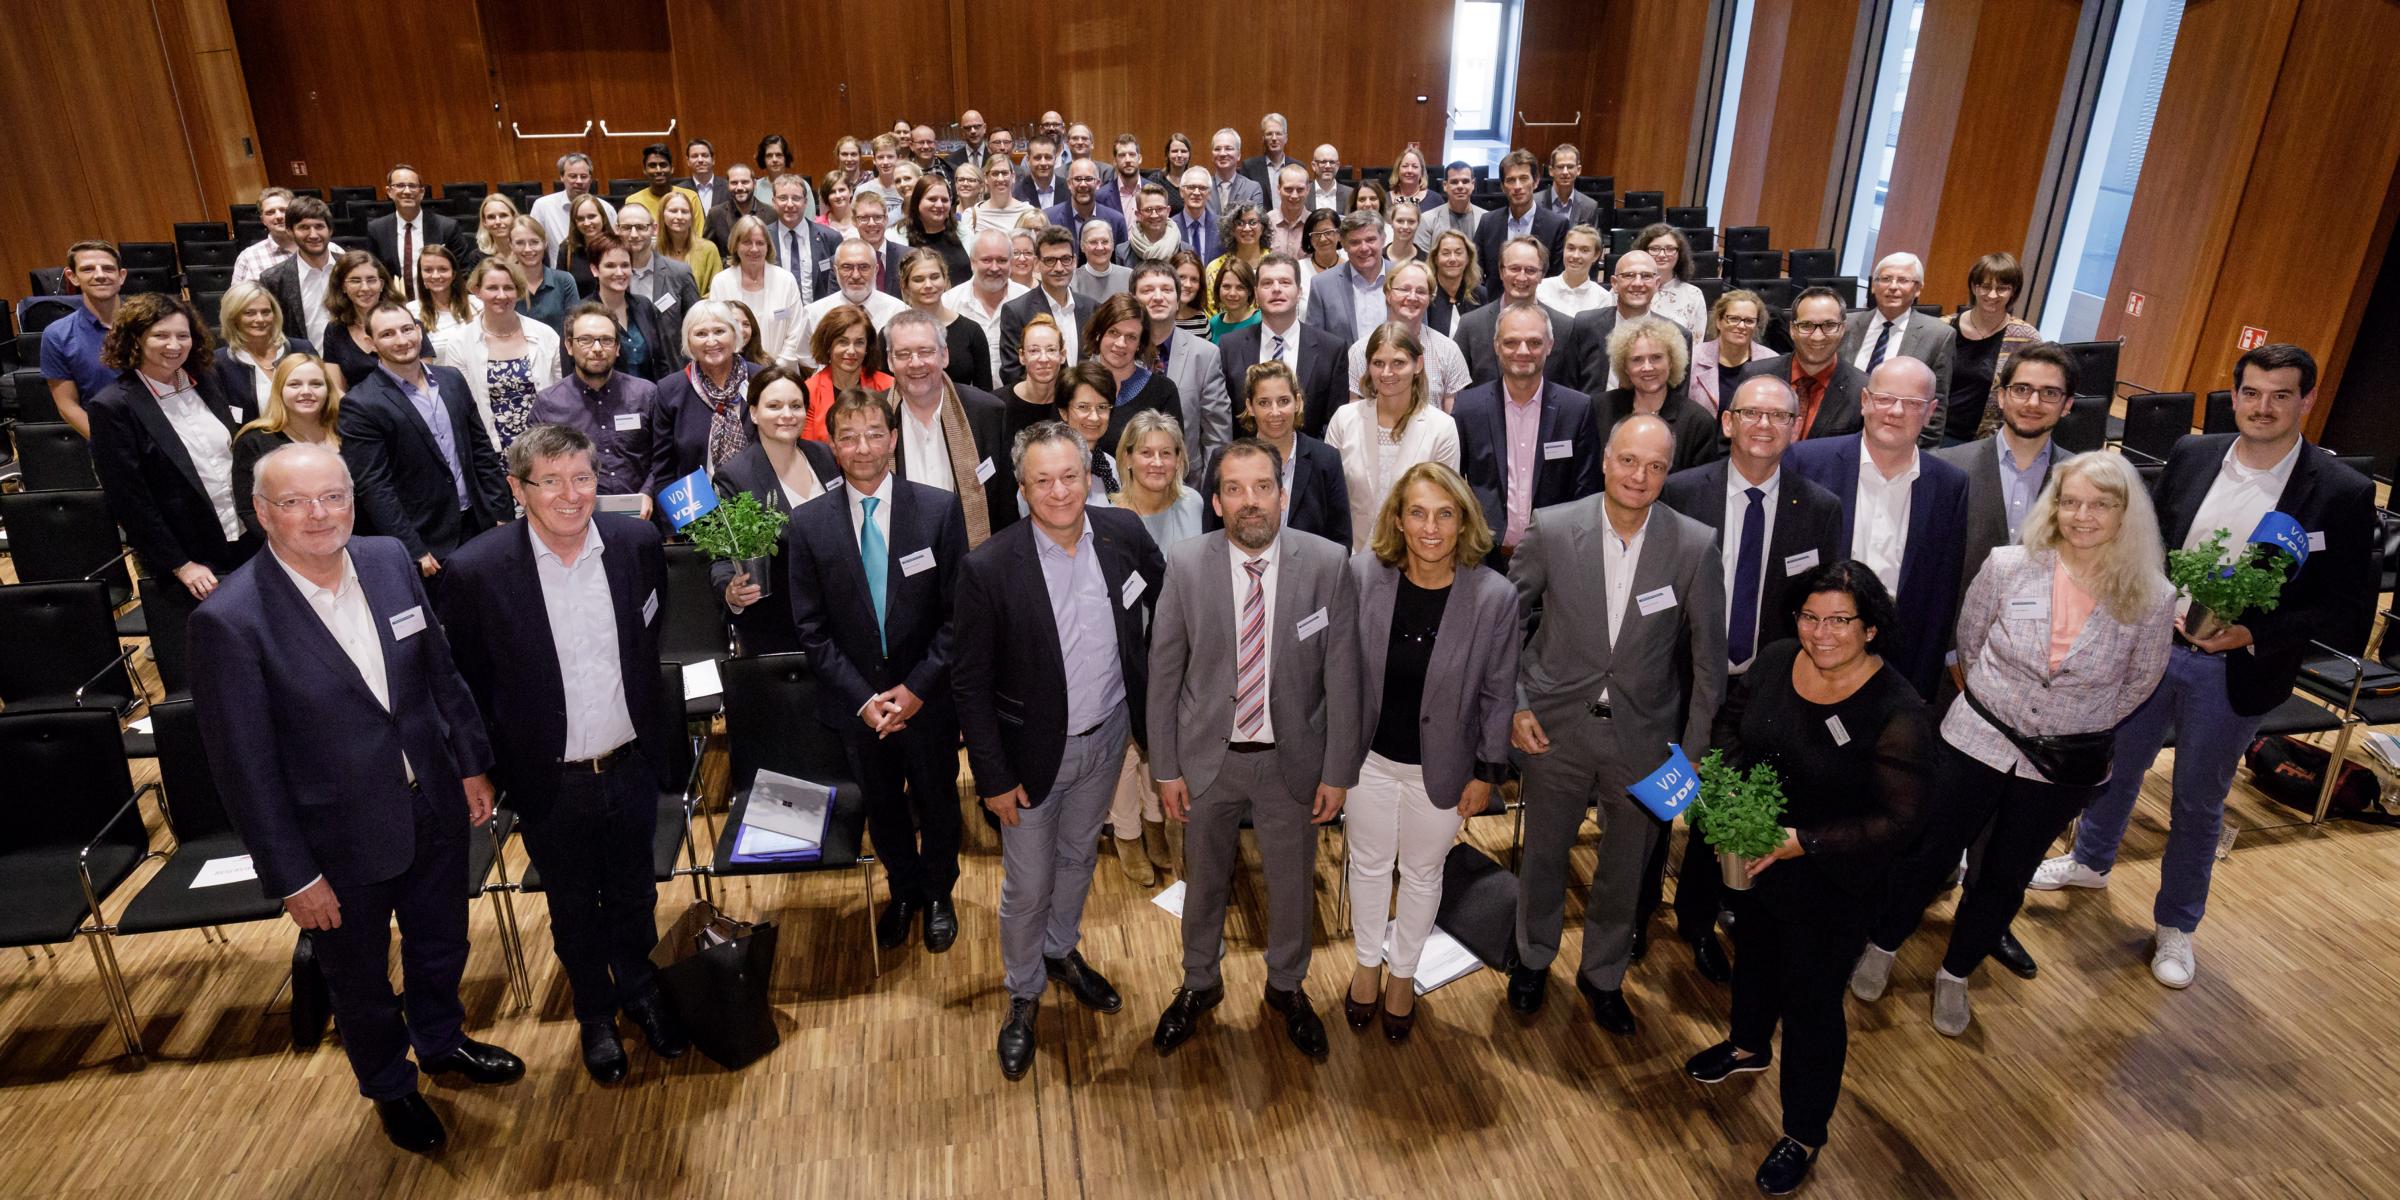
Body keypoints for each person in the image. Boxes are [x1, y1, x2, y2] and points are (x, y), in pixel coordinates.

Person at [188, 442, 523, 1154]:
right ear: (262, 514)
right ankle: (391, 1087)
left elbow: (439, 673)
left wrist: (470, 764)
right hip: (334, 842)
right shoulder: (229, 619)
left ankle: (440, 1040)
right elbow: (243, 770)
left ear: (353, 499)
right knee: (361, 981)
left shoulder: (387, 560)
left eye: (333, 496)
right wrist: (293, 876)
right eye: (295, 502)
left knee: (443, 943)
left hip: (432, 804)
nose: (319, 514)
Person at [2032, 343, 2378, 988]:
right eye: (2251, 393)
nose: (2263, 407)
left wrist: (2254, 631)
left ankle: (2177, 924)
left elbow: (2348, 611)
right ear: (2235, 396)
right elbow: (2149, 544)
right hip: (2151, 650)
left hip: (2235, 672)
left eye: (2281, 396)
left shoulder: (2340, 491)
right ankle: (2090, 862)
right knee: (2113, 768)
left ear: (2306, 401)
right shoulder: (2193, 455)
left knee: (2197, 802)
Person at [1854, 451, 2174, 1035]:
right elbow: (1971, 640)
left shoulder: (2153, 597)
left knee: (2006, 874)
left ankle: (1956, 971)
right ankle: (1883, 943)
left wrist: (2069, 717)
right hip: (1976, 739)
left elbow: (2139, 683)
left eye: (2100, 504)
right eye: (2070, 501)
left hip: (2061, 762)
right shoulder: (2008, 565)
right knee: (1928, 854)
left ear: (2126, 514)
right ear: (2054, 507)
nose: (2082, 516)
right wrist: (2004, 702)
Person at [435, 423, 686, 1084]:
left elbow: (648, 641)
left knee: (635, 894)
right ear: (518, 490)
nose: (571, 495)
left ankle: (640, 991)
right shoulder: (476, 570)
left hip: (630, 763)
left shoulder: (635, 544)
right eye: (550, 482)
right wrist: (477, 767)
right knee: (573, 907)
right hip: (549, 779)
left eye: (581, 477)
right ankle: (595, 1014)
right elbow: (464, 682)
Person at [1681, 560, 1931, 1197]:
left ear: (1870, 628)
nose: (1821, 633)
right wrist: (1730, 787)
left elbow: (1899, 822)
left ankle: (1803, 1131)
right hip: (1759, 853)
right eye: (1810, 617)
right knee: (1754, 958)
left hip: (1832, 878)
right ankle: (1747, 1046)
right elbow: (1732, 724)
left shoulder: (1898, 711)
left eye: (1840, 621)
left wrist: (1803, 842)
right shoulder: (1775, 661)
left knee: (1813, 1005)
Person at [950, 415, 1165, 1078]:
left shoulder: (1125, 534)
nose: (1060, 491)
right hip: (1029, 760)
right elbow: (970, 683)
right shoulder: (989, 567)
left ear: (1089, 476)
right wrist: (991, 776)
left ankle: (1060, 949)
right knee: (1028, 882)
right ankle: (1023, 994)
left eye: (1070, 476)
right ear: (1022, 489)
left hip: (1109, 739)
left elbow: (1168, 609)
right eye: (1043, 481)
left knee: (1078, 859)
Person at [1506, 415, 1726, 1035]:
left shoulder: (1694, 545)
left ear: (1668, 473)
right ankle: (1532, 959)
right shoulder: (1552, 528)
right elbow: (1504, 625)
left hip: (1647, 743)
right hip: (1553, 731)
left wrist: (1692, 755)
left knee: (1627, 870)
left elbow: (1710, 664)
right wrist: (1516, 705)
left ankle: (1603, 976)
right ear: (1606, 460)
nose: (1639, 476)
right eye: (1629, 460)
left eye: (1656, 466)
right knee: (1543, 858)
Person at [1147, 437, 1363, 1058]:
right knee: (1203, 883)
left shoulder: (1327, 563)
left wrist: (1338, 771)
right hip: (1206, 762)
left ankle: (1287, 986)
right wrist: (1165, 767)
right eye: (1235, 490)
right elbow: (1164, 674)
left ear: (1282, 495)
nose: (1251, 502)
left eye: (1262, 487)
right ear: (1216, 502)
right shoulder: (1186, 564)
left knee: (1292, 886)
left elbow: (1343, 677)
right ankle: (1199, 982)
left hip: (1291, 762)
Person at [1646, 374, 1847, 983]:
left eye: (1779, 416)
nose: (1764, 425)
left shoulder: (1819, 508)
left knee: (1727, 807)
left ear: (1795, 427)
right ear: (1728, 422)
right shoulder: (1682, 492)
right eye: (1752, 414)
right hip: (1679, 677)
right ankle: (1636, 911)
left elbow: (1818, 602)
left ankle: (1699, 918)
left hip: (1761, 687)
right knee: (1659, 800)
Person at [787, 387, 972, 957]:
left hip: (928, 699)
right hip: (857, 706)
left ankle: (938, 893)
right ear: (832, 447)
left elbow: (958, 617)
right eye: (849, 437)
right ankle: (905, 890)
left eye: (874, 434)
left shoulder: (938, 509)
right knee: (883, 805)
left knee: (938, 800)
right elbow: (811, 629)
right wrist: (866, 701)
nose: (863, 447)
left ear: (893, 439)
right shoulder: (808, 524)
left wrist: (916, 689)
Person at [1340, 461, 1518, 1041]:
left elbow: (1498, 692)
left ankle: (1402, 974)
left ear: (1464, 521)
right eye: (1417, 513)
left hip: (1443, 769)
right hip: (1368, 760)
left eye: (1445, 514)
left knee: (1422, 873)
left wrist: (1487, 772)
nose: (1431, 528)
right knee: (1368, 865)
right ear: (1397, 519)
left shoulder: (1493, 597)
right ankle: (1367, 964)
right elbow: (1338, 672)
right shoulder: (1363, 575)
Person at [1782, 358, 1971, 700]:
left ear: (1930, 412)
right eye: (1885, 399)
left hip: (1896, 663)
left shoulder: (1949, 485)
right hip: (1810, 651)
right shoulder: (1806, 462)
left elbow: (1942, 595)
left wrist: (1921, 688)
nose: (1895, 412)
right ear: (1865, 400)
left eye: (1911, 403)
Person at [87, 293, 259, 650]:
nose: (174, 345)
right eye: (161, 335)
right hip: (192, 557)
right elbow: (130, 500)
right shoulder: (113, 406)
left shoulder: (208, 379)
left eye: (183, 335)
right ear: (135, 339)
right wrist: (181, 564)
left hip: (245, 534)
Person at [340, 303, 512, 581]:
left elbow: (481, 451)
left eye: (407, 329)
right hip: (428, 544)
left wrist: (502, 512)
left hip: (481, 524)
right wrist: (411, 548)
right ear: (370, 343)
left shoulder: (452, 379)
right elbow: (375, 486)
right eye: (387, 334)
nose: (401, 340)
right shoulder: (360, 403)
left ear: (419, 332)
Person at [1452, 304, 1600, 567]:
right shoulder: (1468, 408)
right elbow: (1454, 485)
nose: (1522, 351)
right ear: (1496, 346)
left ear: (1550, 345)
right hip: (1484, 558)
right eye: (1511, 342)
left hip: (1555, 558)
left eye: (1534, 342)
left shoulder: (1577, 409)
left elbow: (1586, 493)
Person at [710, 365, 839, 655]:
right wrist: (731, 590)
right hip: (778, 627)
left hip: (837, 618)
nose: (787, 414)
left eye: (796, 405)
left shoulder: (823, 456)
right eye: (774, 406)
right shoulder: (735, 476)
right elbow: (722, 559)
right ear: (754, 413)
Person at [1933, 341, 2070, 599]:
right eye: (2021, 389)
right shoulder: (1948, 466)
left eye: (2050, 393)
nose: (2033, 402)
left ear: (2067, 405)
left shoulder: (2079, 479)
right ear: (2001, 397)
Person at [1324, 322, 1462, 551]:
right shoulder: (1344, 420)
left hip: (1415, 557)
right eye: (1378, 363)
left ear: (1418, 364)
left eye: (1398, 363)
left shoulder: (1442, 427)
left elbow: (1444, 503)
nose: (1387, 373)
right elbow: (1330, 499)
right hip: (1351, 555)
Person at [885, 308, 1016, 547]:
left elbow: (1005, 503)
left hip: (973, 555)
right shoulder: (876, 417)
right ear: (890, 361)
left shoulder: (987, 412)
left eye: (926, 351)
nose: (916, 363)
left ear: (944, 355)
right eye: (903, 354)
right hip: (901, 554)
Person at [1200, 360, 1351, 548]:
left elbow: (1340, 541)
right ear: (1250, 406)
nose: (1275, 412)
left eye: (1283, 401)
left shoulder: (1326, 460)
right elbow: (1211, 534)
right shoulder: (1223, 460)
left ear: (1298, 402)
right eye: (1264, 403)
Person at [530, 305, 664, 507]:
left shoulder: (646, 395)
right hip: (574, 514)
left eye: (607, 340)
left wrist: (649, 493)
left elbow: (664, 455)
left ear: (617, 348)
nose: (597, 348)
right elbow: (537, 468)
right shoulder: (548, 404)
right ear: (569, 346)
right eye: (585, 340)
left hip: (643, 512)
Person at [434, 257, 562, 450]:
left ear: (518, 291)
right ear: (477, 291)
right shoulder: (460, 342)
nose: (501, 295)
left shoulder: (546, 335)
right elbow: (460, 404)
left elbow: (562, 394)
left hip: (545, 447)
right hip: (490, 449)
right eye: (492, 288)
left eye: (508, 288)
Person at [1218, 254, 1348, 440]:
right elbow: (1224, 420)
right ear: (1256, 293)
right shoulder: (1229, 347)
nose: (1276, 289)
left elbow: (1334, 424)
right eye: (1267, 283)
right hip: (1245, 454)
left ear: (1299, 291)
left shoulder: (1331, 350)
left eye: (1285, 282)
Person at [1840, 252, 1958, 446]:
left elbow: (1936, 405)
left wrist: (1925, 452)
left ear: (1917, 288)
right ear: (1873, 286)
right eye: (1886, 279)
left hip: (1896, 441)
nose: (1893, 287)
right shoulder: (1847, 325)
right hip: (1839, 436)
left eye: (1903, 280)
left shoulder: (1938, 335)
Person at [648, 300, 758, 494]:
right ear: (689, 341)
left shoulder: (761, 379)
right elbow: (664, 469)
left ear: (735, 334)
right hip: (696, 505)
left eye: (719, 331)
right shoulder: (670, 390)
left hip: (762, 502)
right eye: (701, 334)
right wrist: (676, 513)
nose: (711, 341)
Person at [1129, 263, 1229, 474]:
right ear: (1133, 299)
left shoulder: (1205, 355)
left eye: (1166, 290)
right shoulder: (1118, 352)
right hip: (1126, 482)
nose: (1158, 297)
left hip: (1187, 481)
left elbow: (1217, 436)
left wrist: (1209, 486)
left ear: (1177, 300)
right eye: (1147, 290)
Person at [232, 354, 342, 537]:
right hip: (289, 544)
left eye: (316, 384)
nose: (306, 391)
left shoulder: (348, 432)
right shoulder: (254, 442)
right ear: (279, 390)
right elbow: (250, 511)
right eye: (294, 384)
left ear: (328, 389)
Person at [1740, 286, 1867, 440]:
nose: (1817, 337)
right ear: (1792, 330)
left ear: (1842, 329)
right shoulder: (1754, 375)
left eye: (1829, 325)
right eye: (1806, 325)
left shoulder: (1862, 390)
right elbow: (1730, 441)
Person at [1598, 314, 1721, 472]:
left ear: (1671, 361)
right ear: (1625, 367)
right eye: (1637, 359)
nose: (1647, 367)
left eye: (1656, 358)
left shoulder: (1698, 422)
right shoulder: (1600, 408)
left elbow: (1701, 481)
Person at [1341, 262, 1471, 406]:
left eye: (1421, 291)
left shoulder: (1449, 351)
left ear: (1429, 299)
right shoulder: (1360, 351)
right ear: (1388, 294)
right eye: (1404, 289)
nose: (1412, 297)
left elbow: (1454, 415)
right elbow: (1354, 413)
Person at [1454, 237, 1578, 386]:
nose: (1522, 277)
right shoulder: (1471, 325)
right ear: (1501, 272)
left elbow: (1571, 389)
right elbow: (1457, 386)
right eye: (1514, 268)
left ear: (1541, 276)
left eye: (1531, 270)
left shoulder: (1565, 327)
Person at [1948, 252, 2045, 441]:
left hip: (1990, 440)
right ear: (1973, 287)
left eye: (2002, 288)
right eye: (1985, 287)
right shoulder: (1943, 328)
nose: (1992, 295)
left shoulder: (2027, 339)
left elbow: (2031, 391)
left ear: (2013, 291)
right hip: (1933, 434)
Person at [1570, 250, 1694, 393]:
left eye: (1646, 276)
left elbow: (1678, 398)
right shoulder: (1585, 325)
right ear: (1614, 283)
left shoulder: (1678, 335)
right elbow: (1569, 385)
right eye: (1629, 275)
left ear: (1657, 284)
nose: (1637, 283)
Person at [781, 238, 908, 371]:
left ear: (876, 270)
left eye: (864, 267)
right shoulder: (813, 313)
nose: (856, 275)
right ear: (835, 270)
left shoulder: (899, 312)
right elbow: (806, 361)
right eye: (847, 267)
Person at [1000, 227, 1100, 386]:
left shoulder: (1092, 308)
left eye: (1065, 259)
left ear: (1074, 261)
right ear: (1037, 264)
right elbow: (1013, 373)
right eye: (1050, 260)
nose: (1059, 268)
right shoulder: (1016, 312)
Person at [579, 235, 682, 384]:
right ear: (595, 269)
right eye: (610, 266)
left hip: (649, 395)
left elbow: (660, 361)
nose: (619, 272)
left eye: (625, 265)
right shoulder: (581, 314)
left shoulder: (644, 306)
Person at [1473, 150, 1569, 303]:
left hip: (1538, 307)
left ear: (1535, 181)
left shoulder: (1557, 225)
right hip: (1495, 307)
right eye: (1511, 180)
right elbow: (1475, 271)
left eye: (1523, 178)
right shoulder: (1488, 222)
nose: (1517, 186)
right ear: (1503, 186)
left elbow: (1556, 278)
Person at [897, 248, 993, 391]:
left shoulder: (971, 331)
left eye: (935, 277)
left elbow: (985, 393)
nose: (928, 285)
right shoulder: (893, 333)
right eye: (918, 279)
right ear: (904, 286)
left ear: (945, 279)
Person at [215, 282, 317, 415]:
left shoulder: (302, 349)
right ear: (233, 318)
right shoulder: (220, 362)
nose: (260, 319)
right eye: (249, 313)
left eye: (266, 312)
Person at [708, 215, 803, 357]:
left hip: (781, 366)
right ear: (736, 245)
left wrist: (778, 366)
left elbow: (796, 331)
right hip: (733, 365)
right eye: (747, 242)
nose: (754, 249)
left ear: (768, 246)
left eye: (760, 243)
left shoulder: (786, 280)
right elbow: (716, 329)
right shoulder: (721, 282)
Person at [369, 165, 470, 298]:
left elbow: (462, 271)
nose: (407, 191)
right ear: (389, 191)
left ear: (421, 192)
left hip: (438, 302)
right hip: (395, 305)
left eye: (412, 186)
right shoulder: (377, 229)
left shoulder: (447, 227)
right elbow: (374, 272)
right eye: (400, 185)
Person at [800, 304, 892, 443]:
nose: (851, 351)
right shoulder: (810, 391)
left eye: (859, 343)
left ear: (867, 347)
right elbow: (808, 447)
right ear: (828, 345)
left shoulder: (889, 386)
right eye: (843, 342)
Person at [260, 198, 340, 349]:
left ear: (330, 230)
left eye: (319, 226)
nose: (313, 235)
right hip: (303, 361)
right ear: (290, 232)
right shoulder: (273, 279)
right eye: (304, 227)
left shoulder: (351, 268)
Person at [1302, 211, 1389, 346]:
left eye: (1370, 240)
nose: (1364, 248)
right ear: (1343, 244)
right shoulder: (1322, 285)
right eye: (1355, 242)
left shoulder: (1405, 276)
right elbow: (1314, 342)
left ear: (1383, 239)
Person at [319, 250, 402, 388]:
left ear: (381, 285)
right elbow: (336, 389)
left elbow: (422, 380)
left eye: (371, 280)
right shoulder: (335, 330)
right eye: (355, 281)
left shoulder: (405, 324)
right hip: (352, 402)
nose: (365, 288)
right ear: (343, 287)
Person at [613, 204, 702, 325]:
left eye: (641, 227)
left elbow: (696, 322)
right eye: (626, 227)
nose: (634, 235)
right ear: (617, 229)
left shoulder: (679, 273)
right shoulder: (609, 274)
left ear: (654, 229)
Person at [766, 173, 841, 305]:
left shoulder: (830, 238)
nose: (790, 204)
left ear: (806, 202)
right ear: (774, 202)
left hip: (820, 314)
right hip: (777, 313)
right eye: (783, 198)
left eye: (796, 198)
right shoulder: (763, 239)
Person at [530, 153, 616, 266]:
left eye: (583, 176)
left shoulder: (606, 208)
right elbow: (532, 242)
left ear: (590, 178)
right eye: (573, 176)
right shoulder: (543, 206)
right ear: (562, 177)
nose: (579, 181)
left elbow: (616, 243)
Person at [1690, 288, 1765, 416]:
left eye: (1749, 321)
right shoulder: (1693, 358)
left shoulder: (1771, 361)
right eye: (1733, 318)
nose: (1741, 326)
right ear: (1719, 322)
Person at [1003, 315, 1074, 444]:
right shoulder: (999, 405)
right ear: (1022, 356)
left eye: (1051, 350)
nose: (1043, 359)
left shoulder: (1073, 404)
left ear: (1062, 355)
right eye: (1034, 351)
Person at [1636, 224, 1708, 336]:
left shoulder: (1693, 295)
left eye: (1670, 249)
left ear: (1680, 254)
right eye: (1654, 249)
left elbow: (1695, 341)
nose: (1662, 255)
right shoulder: (1626, 288)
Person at [1045, 156, 1128, 248]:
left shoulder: (1116, 221)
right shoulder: (1049, 219)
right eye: (1077, 179)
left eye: (1089, 179)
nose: (1083, 184)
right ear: (1069, 183)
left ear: (1098, 183)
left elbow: (1121, 256)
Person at [903, 174, 972, 284]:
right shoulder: (898, 236)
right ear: (917, 202)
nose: (940, 205)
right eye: (932, 199)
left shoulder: (964, 232)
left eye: (944, 200)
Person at [409, 246, 482, 345]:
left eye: (443, 269)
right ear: (421, 275)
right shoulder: (411, 312)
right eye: (428, 270)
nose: (435, 276)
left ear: (454, 274)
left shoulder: (477, 305)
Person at [657, 191, 724, 295]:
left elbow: (717, 290)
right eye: (673, 211)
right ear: (662, 215)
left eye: (684, 212)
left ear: (691, 216)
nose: (679, 216)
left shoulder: (708, 249)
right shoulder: (652, 251)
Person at [1533, 224, 1607, 317]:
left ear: (1596, 255)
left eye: (1584, 250)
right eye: (1571, 248)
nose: (1575, 256)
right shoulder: (1539, 289)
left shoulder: (1604, 299)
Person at [623, 142, 701, 228]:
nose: (658, 170)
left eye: (663, 165)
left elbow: (699, 234)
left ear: (672, 168)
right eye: (652, 166)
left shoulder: (690, 197)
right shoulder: (633, 202)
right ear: (644, 170)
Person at [232, 187, 299, 285]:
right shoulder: (248, 257)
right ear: (263, 220)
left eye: (284, 210)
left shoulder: (316, 248)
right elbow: (237, 295)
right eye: (270, 212)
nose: (278, 216)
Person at [704, 163, 773, 256]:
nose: (739, 187)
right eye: (734, 183)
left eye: (745, 182)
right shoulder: (715, 214)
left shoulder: (771, 213)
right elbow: (707, 252)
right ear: (728, 185)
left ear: (754, 183)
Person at [1417, 162, 1485, 252]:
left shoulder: (1487, 219)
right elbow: (1422, 259)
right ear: (1445, 185)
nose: (1460, 186)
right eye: (1454, 182)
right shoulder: (1427, 219)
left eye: (1465, 181)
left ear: (1473, 184)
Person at [1426, 229, 1481, 337]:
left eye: (1458, 253)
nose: (1452, 259)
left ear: (1468, 258)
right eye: (1446, 253)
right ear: (1435, 259)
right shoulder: (1425, 295)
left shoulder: (1480, 295)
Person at [558, 193, 617, 294]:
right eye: (580, 219)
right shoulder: (567, 249)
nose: (587, 223)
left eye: (592, 216)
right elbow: (561, 289)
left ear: (602, 217)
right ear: (575, 222)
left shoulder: (616, 246)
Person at [969, 153, 1033, 239]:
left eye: (1004, 173)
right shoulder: (972, 215)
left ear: (1013, 177)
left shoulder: (1028, 212)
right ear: (986, 178)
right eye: (995, 174)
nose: (1000, 179)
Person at [1536, 144, 1601, 226]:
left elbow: (1591, 234)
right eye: (1560, 167)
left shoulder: (1589, 206)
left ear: (1578, 170)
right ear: (1551, 171)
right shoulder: (1534, 202)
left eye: (1570, 167)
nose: (1565, 172)